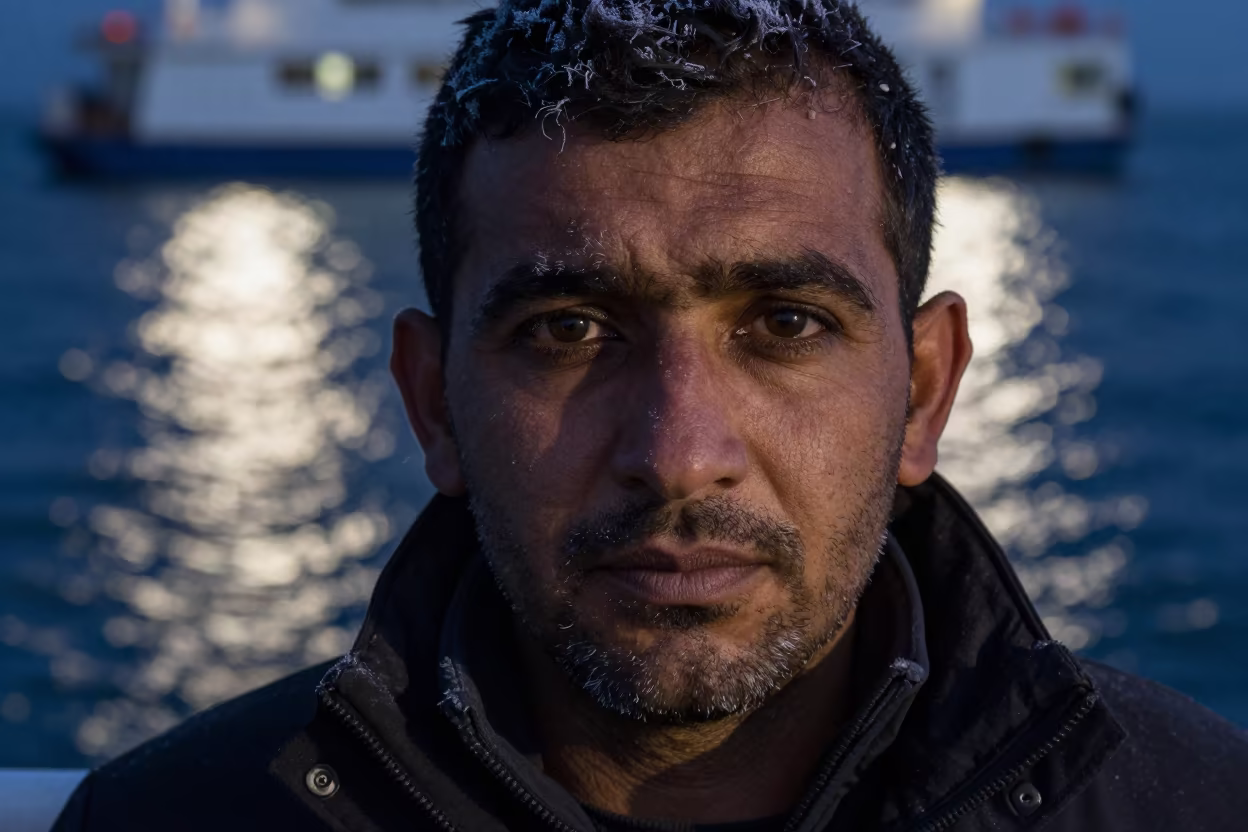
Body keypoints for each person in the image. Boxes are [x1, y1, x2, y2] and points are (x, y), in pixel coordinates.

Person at [53, 1, 1248, 830]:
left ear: (926, 390)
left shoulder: (1200, 808)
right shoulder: (167, 819)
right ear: (434, 403)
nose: (681, 454)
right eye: (568, 331)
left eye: (786, 325)